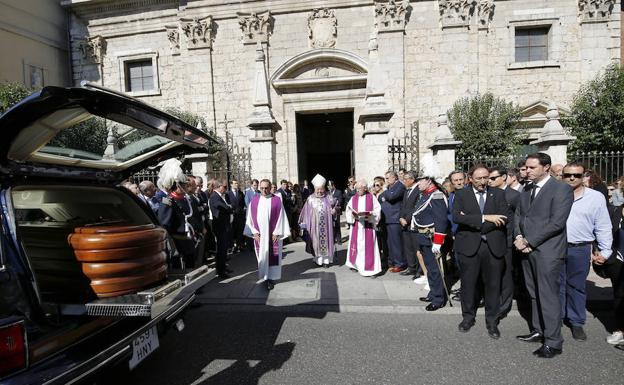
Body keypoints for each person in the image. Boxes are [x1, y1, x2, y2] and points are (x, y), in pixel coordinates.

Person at [514, 153, 573, 358]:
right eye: (526, 168)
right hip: (526, 249)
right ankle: (539, 330)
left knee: (547, 295)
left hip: (547, 251)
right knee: (533, 293)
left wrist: (530, 241)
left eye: (531, 167)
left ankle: (553, 341)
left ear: (546, 167)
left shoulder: (561, 189)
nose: (526, 171)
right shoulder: (526, 188)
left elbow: (557, 222)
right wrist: (519, 237)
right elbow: (519, 215)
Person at [453, 165, 510, 339]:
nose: (483, 182)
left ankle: (492, 322)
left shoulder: (498, 194)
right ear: (471, 178)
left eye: (486, 178)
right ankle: (468, 318)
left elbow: (504, 218)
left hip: (492, 247)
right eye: (478, 178)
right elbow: (457, 217)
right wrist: (485, 217)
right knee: (468, 285)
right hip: (469, 247)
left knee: (493, 286)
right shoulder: (461, 194)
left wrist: (473, 220)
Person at [560, 162, 612, 340]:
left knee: (577, 286)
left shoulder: (595, 197)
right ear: (562, 176)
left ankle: (576, 322)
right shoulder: (556, 194)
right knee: (556, 285)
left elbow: (603, 225)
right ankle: (556, 319)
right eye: (568, 175)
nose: (572, 178)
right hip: (555, 247)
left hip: (580, 248)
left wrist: (605, 251)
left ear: (584, 177)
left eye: (577, 175)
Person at [412, 171, 449, 311]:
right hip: (423, 237)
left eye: (420, 181)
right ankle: (433, 293)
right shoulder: (425, 194)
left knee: (435, 270)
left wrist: (438, 242)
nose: (418, 184)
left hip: (432, 238)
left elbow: (441, 220)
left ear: (428, 180)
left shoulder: (436, 196)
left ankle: (438, 299)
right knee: (429, 268)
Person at [488, 166, 521, 320]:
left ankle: (504, 306)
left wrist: (516, 238)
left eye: (493, 178)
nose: (489, 181)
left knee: (506, 275)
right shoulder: (488, 193)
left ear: (504, 177)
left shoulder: (514, 196)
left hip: (507, 241)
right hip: (490, 239)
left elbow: (519, 219)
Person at [244, 179, 290, 290]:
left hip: (273, 235)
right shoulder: (254, 201)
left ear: (270, 188)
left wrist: (277, 232)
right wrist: (254, 232)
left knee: (273, 256)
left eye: (266, 188)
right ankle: (265, 277)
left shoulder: (277, 201)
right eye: (262, 188)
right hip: (260, 236)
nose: (264, 190)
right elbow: (249, 218)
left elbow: (281, 217)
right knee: (263, 257)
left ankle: (271, 277)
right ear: (260, 188)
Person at [156, 159, 197, 269]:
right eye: (183, 184)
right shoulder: (168, 201)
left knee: (191, 263)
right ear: (177, 185)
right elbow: (164, 224)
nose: (186, 186)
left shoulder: (186, 199)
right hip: (176, 240)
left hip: (188, 238)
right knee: (177, 267)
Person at [345, 179, 383, 277]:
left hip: (368, 226)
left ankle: (371, 270)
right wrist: (352, 216)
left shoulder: (371, 198)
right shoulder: (353, 198)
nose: (357, 190)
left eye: (359, 189)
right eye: (356, 188)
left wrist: (371, 215)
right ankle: (356, 265)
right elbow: (348, 210)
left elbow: (377, 210)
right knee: (356, 247)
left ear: (365, 188)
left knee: (369, 248)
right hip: (356, 226)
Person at [298, 174, 336, 268]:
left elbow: (336, 206)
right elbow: (305, 212)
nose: (319, 191)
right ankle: (318, 260)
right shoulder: (310, 199)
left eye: (321, 189)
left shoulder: (329, 197)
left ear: (324, 188)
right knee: (315, 243)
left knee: (326, 242)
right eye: (317, 189)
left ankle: (326, 261)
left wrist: (335, 210)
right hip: (314, 227)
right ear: (314, 188)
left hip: (326, 226)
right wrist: (303, 225)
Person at [380, 170, 406, 272]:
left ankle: (400, 263)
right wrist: (386, 194)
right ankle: (391, 261)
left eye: (387, 178)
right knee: (389, 243)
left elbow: (391, 197)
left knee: (396, 243)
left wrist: (386, 191)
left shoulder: (400, 186)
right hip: (387, 219)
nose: (385, 180)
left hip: (395, 219)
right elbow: (380, 198)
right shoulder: (390, 188)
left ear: (394, 178)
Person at [399, 171, 423, 278]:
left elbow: (416, 207)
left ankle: (419, 269)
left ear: (412, 180)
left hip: (413, 223)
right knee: (408, 247)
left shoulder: (418, 191)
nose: (403, 181)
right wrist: (400, 217)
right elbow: (403, 206)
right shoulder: (406, 191)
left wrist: (407, 219)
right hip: (404, 223)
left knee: (416, 248)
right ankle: (411, 267)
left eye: (405, 179)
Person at [210, 179, 234, 278]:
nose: (226, 189)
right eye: (224, 187)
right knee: (221, 250)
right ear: (219, 187)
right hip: (220, 227)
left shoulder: (221, 196)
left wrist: (229, 207)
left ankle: (223, 267)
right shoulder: (215, 197)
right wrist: (229, 208)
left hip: (225, 226)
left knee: (224, 249)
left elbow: (229, 206)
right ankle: (221, 271)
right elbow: (224, 207)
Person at [227, 179, 246, 253]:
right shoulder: (228, 194)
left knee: (240, 231)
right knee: (233, 231)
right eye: (235, 183)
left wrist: (243, 209)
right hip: (232, 215)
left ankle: (239, 245)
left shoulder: (240, 193)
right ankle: (233, 246)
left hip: (240, 215)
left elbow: (243, 203)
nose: (236, 185)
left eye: (237, 183)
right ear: (231, 184)